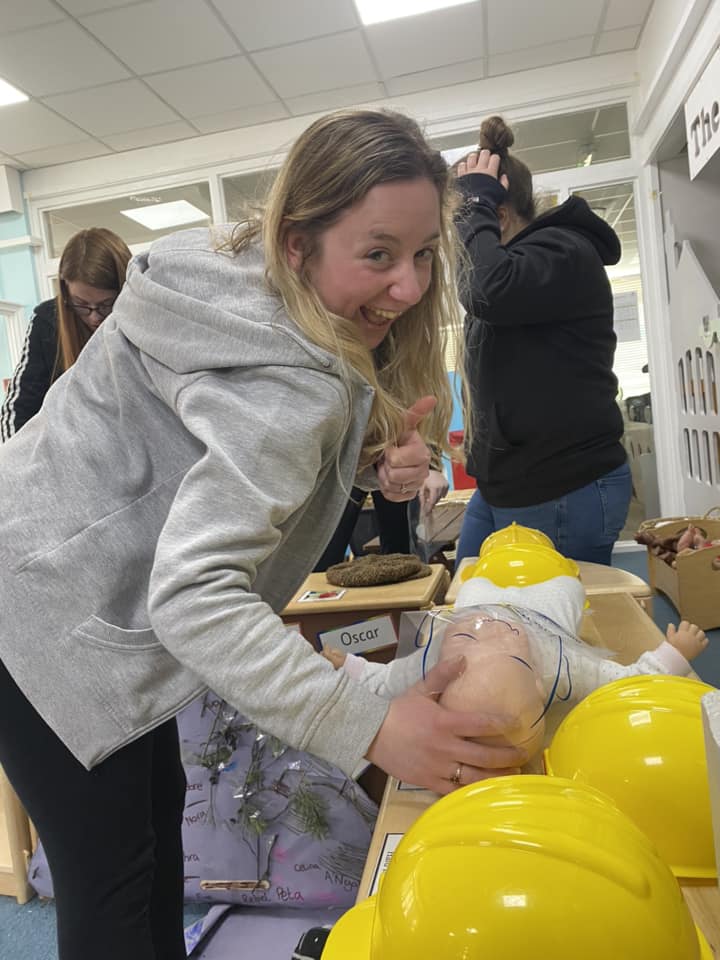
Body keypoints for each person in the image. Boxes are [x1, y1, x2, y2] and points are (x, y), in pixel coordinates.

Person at [0, 109, 526, 960]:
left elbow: (202, 447)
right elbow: (197, 596)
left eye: (426, 253)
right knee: (120, 885)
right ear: (294, 243)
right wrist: (370, 726)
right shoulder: (286, 384)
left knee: (138, 848)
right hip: (54, 630)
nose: (411, 286)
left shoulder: (216, 276)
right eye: (379, 255)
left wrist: (355, 462)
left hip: (34, 574)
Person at [453, 115, 632, 566]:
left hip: (562, 485)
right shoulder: (519, 265)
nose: (454, 242)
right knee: (469, 603)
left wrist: (472, 204)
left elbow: (486, 291)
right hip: (506, 484)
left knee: (547, 629)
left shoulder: (563, 250)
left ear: (497, 214)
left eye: (460, 226)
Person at [325, 569, 709, 772]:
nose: (493, 632)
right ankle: (559, 579)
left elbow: (384, 681)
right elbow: (629, 684)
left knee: (475, 583)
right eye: (511, 654)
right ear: (540, 689)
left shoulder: (432, 661)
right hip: (545, 618)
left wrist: (351, 665)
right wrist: (674, 653)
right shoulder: (564, 669)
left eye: (470, 643)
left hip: (480, 602)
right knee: (563, 585)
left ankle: (485, 580)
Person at [0, 227, 131, 440]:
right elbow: (17, 409)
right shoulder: (47, 320)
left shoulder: (145, 322)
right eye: (81, 305)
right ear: (66, 292)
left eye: (106, 305)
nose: (94, 317)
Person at [314, 469, 449, 570]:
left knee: (401, 556)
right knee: (322, 556)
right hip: (345, 457)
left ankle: (401, 602)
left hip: (395, 454)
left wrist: (428, 467)